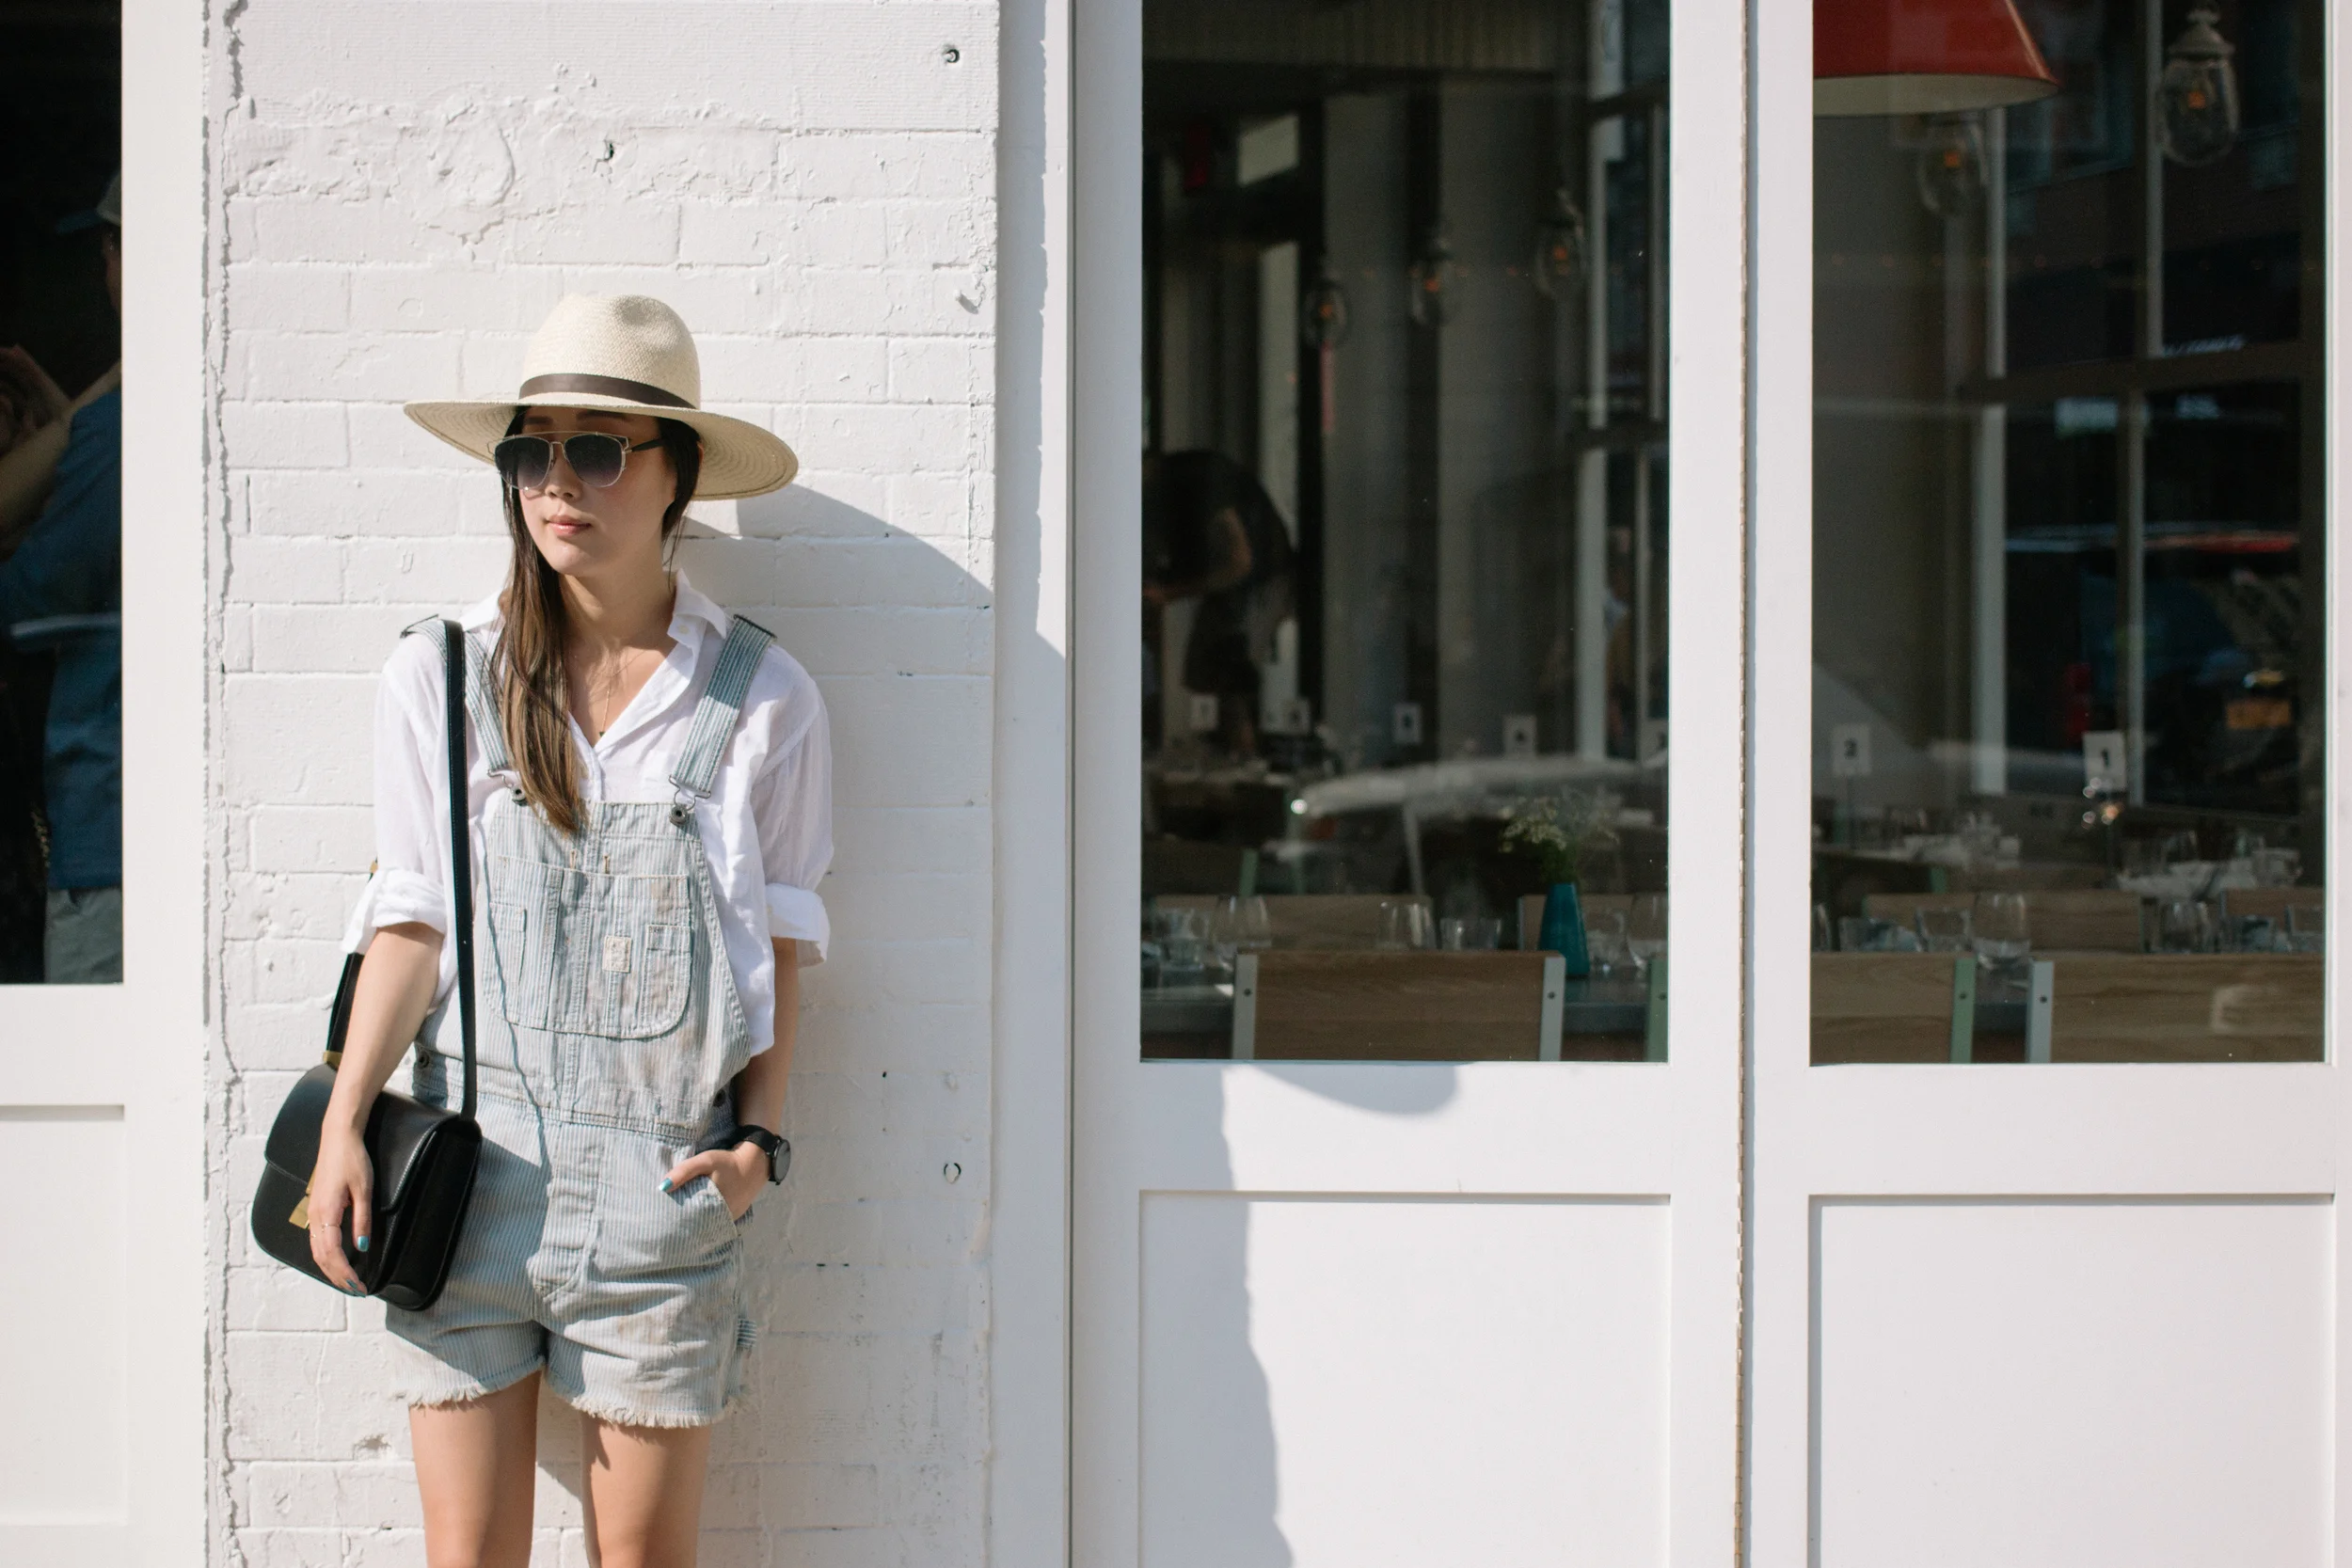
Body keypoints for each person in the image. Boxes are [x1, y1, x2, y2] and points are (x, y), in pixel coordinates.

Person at [302, 294, 829, 1566]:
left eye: (597, 450)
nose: (556, 482)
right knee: (468, 1554)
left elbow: (781, 941)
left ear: (676, 474)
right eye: (531, 450)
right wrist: (342, 1121)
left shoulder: (761, 696)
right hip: (464, 1174)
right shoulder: (442, 674)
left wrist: (759, 1139)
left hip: (661, 1196)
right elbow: (411, 923)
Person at [0, 173, 124, 982]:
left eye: (107, 249)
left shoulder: (120, 432)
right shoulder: (116, 427)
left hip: (107, 833)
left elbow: (27, 600)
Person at [1141, 449, 1295, 754]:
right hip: (1251, 578)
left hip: (1257, 579)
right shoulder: (1177, 486)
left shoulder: (1192, 482)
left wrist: (1169, 593)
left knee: (1225, 669)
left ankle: (1246, 755)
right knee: (1212, 670)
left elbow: (1239, 562)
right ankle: (1239, 752)